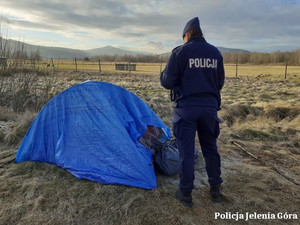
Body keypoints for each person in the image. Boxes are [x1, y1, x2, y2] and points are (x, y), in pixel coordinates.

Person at [160, 17, 225, 207]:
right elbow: (220, 82)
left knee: (186, 153)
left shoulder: (180, 52)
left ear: (187, 34)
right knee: (211, 150)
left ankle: (186, 193)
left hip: (185, 110)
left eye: (183, 37)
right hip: (209, 109)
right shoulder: (215, 53)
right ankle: (216, 191)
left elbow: (167, 82)